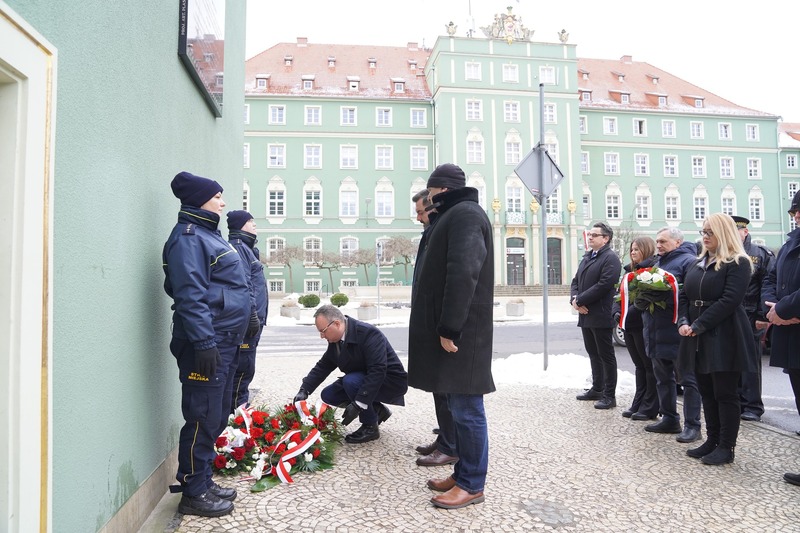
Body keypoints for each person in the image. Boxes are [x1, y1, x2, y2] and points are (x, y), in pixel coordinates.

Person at [162, 171, 252, 517]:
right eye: (217, 196)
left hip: (222, 342)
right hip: (205, 344)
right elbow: (190, 296)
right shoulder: (189, 238)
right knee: (200, 416)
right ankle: (192, 491)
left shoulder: (207, 235)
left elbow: (227, 288)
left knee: (213, 414)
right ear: (200, 199)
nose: (223, 202)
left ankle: (203, 479)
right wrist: (203, 342)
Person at [408, 163, 494, 510]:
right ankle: (463, 474)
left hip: (463, 333)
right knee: (459, 407)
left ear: (439, 190)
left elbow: (463, 273)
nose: (427, 201)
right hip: (455, 331)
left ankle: (473, 484)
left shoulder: (465, 216)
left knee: (468, 407)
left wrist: (449, 328)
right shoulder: (455, 214)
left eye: (429, 194)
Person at [677, 213, 754, 465]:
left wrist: (699, 325)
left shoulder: (738, 262)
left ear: (723, 233)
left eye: (710, 232)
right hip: (698, 334)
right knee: (706, 390)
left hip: (724, 334)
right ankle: (712, 440)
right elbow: (685, 295)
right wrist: (685, 322)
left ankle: (726, 446)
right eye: (703, 232)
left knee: (725, 392)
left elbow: (729, 300)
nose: (705, 237)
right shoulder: (698, 262)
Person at [292, 305, 408, 444]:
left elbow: (378, 370)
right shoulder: (336, 341)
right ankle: (377, 409)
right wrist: (305, 390)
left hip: (389, 381)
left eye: (323, 331)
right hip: (364, 379)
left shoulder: (368, 333)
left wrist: (359, 404)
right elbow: (324, 365)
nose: (321, 336)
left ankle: (370, 427)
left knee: (351, 381)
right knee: (329, 395)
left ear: (337, 323)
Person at [642, 227, 703, 444]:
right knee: (662, 378)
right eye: (657, 241)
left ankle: (693, 425)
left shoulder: (688, 262)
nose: (658, 245)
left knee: (688, 379)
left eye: (663, 241)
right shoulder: (658, 263)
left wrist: (666, 297)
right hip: (656, 329)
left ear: (677, 242)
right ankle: (669, 418)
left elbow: (689, 294)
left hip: (678, 330)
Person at [411, 189, 458, 467]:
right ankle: (445, 439)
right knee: (437, 389)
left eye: (420, 212)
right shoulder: (429, 232)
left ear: (432, 208)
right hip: (429, 319)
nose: (418, 218)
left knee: (446, 388)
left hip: (440, 322)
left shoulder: (441, 230)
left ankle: (451, 445)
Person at [762, 190, 800, 485]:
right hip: (791, 330)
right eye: (794, 212)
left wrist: (785, 309)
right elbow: (771, 279)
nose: (796, 216)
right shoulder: (789, 244)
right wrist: (772, 307)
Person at [571, 222, 622, 409]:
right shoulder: (587, 257)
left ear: (605, 238)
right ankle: (597, 388)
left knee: (606, 355)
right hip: (585, 314)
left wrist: (581, 300)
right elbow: (575, 281)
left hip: (600, 313)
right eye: (589, 234)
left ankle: (609, 395)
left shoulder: (610, 258)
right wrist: (575, 300)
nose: (590, 237)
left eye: (594, 235)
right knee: (593, 353)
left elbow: (604, 284)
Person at [730, 215, 773, 422]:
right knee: (730, 359)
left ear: (744, 232)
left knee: (750, 360)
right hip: (728, 314)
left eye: (735, 231)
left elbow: (767, 285)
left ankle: (753, 405)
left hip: (750, 314)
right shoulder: (724, 252)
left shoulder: (759, 254)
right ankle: (736, 401)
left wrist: (761, 315)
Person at [227, 210, 269, 412]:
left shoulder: (247, 248)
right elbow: (244, 285)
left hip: (253, 321)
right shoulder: (239, 248)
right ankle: (237, 412)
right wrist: (251, 315)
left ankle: (239, 407)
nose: (254, 224)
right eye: (250, 221)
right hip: (247, 322)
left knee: (245, 367)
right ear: (240, 225)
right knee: (243, 369)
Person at [613, 236, 659, 420]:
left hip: (641, 324)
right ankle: (638, 402)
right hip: (628, 325)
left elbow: (643, 299)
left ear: (646, 250)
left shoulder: (652, 272)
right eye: (632, 249)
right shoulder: (629, 272)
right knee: (639, 366)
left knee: (648, 367)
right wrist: (616, 312)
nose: (633, 253)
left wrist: (626, 314)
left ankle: (650, 406)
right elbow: (618, 296)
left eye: (637, 250)